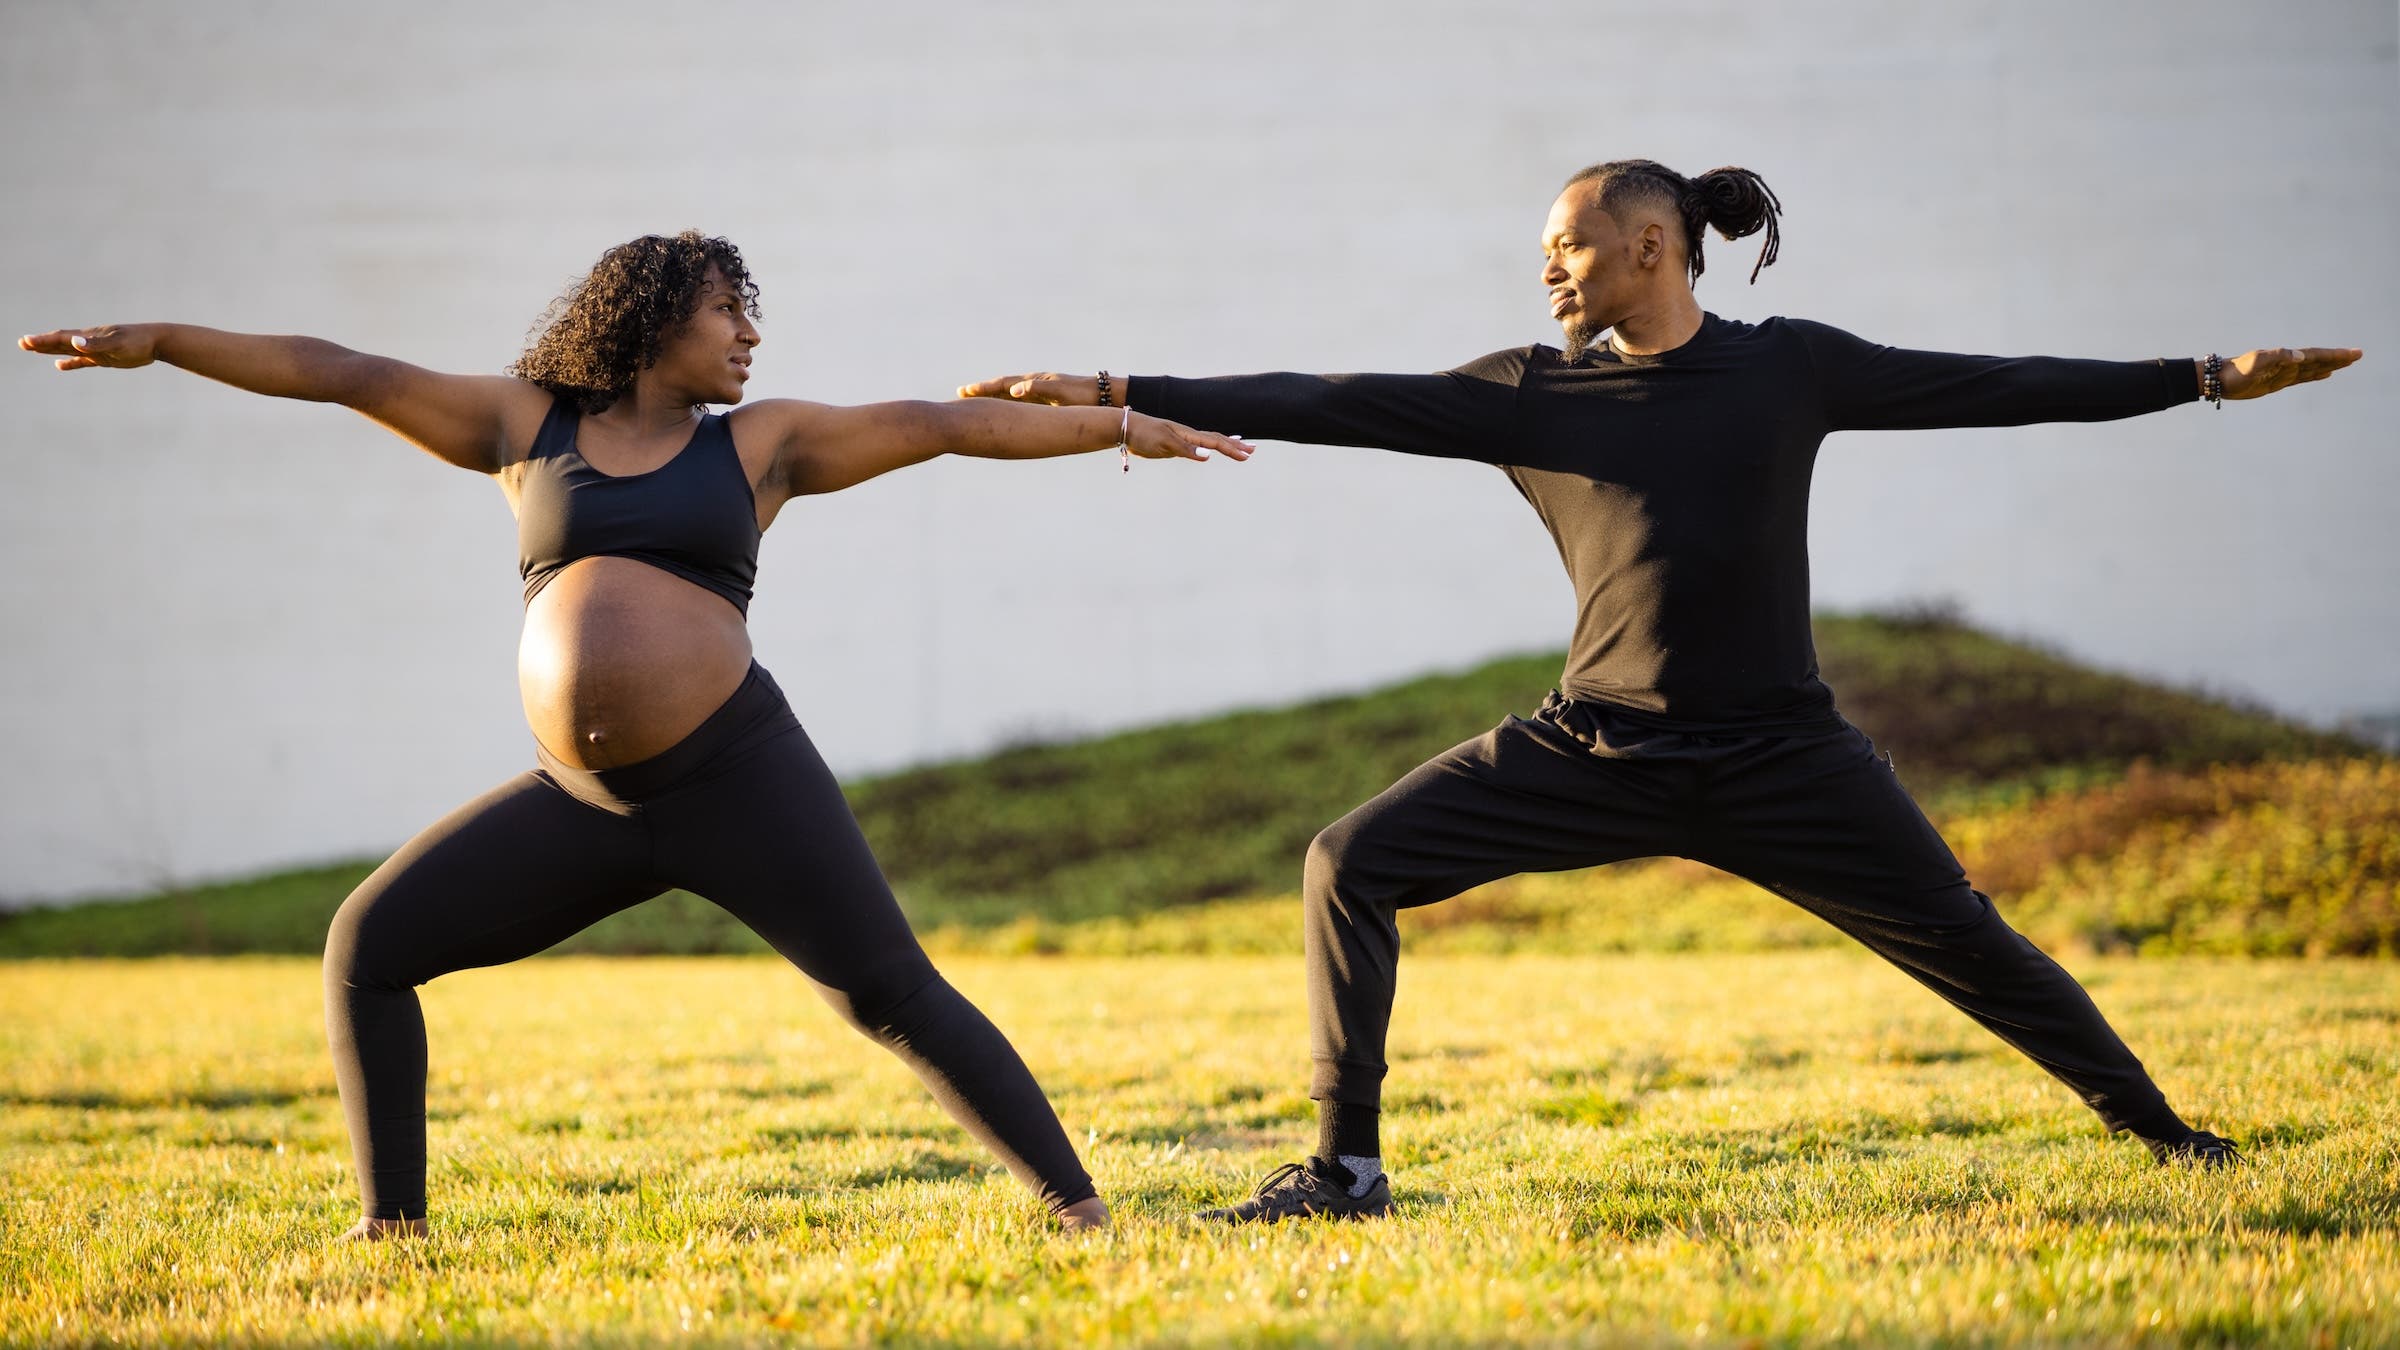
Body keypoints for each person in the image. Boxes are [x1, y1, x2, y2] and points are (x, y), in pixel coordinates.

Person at [965, 159, 2363, 1223]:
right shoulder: (1528, 392)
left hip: (1783, 755)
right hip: (1595, 748)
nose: (1548, 272)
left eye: (1567, 246)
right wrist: (1111, 391)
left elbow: (1993, 385)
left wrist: (2201, 378)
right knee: (1349, 860)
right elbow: (1330, 397)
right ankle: (1346, 1169)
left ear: (1652, 244)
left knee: (1975, 945)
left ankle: (2172, 1142)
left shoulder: (1791, 366)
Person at [21, 230, 1254, 1239]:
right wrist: (166, 341)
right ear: (655, 317)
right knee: (368, 945)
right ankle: (392, 1226)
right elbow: (342, 369)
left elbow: (942, 424)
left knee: (891, 992)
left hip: (737, 774)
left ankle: (1078, 1208)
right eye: (728, 311)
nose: (751, 335)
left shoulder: (761, 444)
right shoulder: (524, 425)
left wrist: (1119, 426)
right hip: (582, 801)